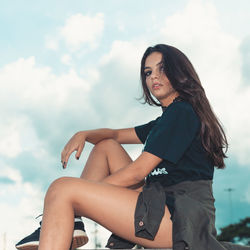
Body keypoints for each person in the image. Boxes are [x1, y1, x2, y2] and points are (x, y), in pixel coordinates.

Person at [16, 44, 248, 250]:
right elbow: (115, 135)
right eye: (148, 72)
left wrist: (81, 195)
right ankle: (74, 218)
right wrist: (84, 134)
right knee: (106, 147)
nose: (154, 77)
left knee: (62, 188)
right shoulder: (166, 120)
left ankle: (70, 215)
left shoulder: (181, 112)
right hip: (162, 204)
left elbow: (137, 172)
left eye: (162, 69)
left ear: (180, 73)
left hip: (179, 217)